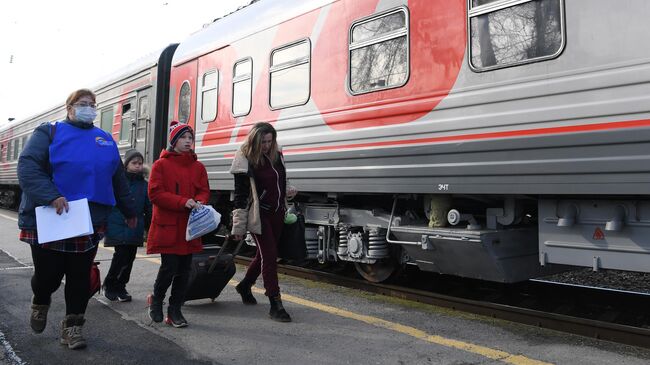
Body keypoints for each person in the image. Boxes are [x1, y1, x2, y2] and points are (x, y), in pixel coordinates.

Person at [17, 88, 136, 350]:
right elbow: (27, 166)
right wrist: (51, 196)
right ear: (69, 108)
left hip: (87, 221)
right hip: (51, 218)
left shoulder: (105, 139)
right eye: (82, 104)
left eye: (92, 104)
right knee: (48, 276)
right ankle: (41, 300)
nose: (89, 108)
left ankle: (72, 328)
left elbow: (118, 179)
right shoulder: (48, 132)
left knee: (80, 277)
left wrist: (130, 211)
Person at [230, 122, 297, 322]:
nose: (267, 145)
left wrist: (289, 190)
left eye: (270, 141)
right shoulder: (244, 159)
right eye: (264, 142)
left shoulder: (277, 155)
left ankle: (244, 285)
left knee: (263, 255)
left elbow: (281, 181)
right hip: (260, 216)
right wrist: (238, 226)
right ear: (255, 140)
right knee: (270, 256)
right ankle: (275, 303)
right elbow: (241, 196)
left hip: (278, 213)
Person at [146, 121, 210, 328]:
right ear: (173, 141)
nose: (188, 141)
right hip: (169, 227)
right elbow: (155, 194)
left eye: (190, 138)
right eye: (183, 138)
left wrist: (201, 201)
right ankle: (156, 300)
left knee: (185, 269)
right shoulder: (160, 165)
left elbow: (203, 190)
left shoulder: (198, 166)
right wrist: (183, 202)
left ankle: (175, 310)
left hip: (190, 227)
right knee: (169, 268)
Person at [103, 149, 152, 302]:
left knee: (130, 258)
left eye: (140, 163)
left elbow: (148, 206)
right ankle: (110, 285)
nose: (137, 166)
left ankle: (121, 286)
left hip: (135, 226)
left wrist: (150, 226)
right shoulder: (117, 182)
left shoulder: (144, 185)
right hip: (118, 223)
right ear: (126, 165)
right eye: (134, 163)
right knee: (120, 256)